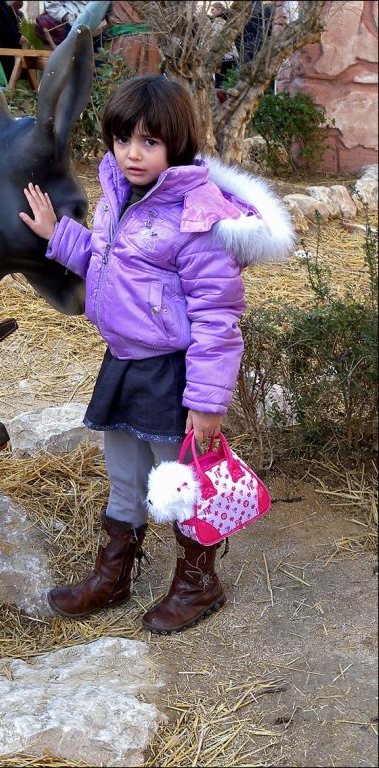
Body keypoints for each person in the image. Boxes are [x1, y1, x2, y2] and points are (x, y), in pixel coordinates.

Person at [19, 74, 293, 634]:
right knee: (125, 475)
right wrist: (58, 235)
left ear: (177, 142)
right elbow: (108, 263)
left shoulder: (197, 218)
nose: (132, 154)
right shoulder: (119, 195)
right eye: (123, 140)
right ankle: (112, 576)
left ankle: (198, 583)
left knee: (181, 484)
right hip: (122, 362)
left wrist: (209, 401)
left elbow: (218, 318)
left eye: (148, 142)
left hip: (174, 372)